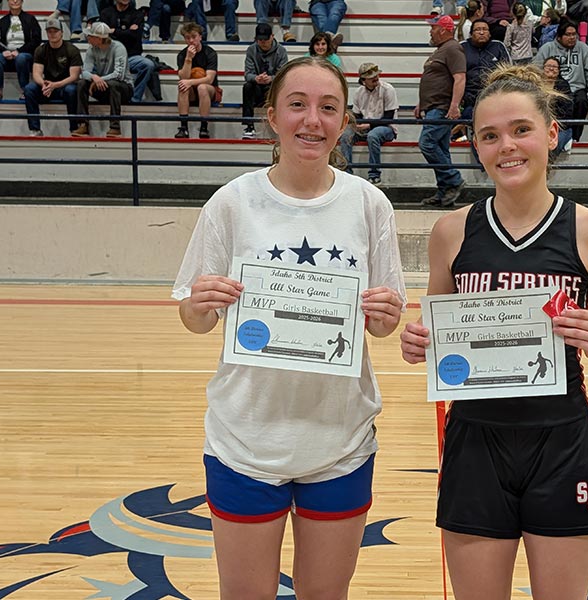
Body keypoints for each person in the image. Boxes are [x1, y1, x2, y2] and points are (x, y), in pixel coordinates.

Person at [172, 56, 406, 600]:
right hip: (245, 441)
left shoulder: (370, 204)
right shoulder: (232, 202)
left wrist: (386, 317)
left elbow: (382, 327)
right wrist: (200, 304)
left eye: (328, 107)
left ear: (344, 121)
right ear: (273, 116)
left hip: (341, 442)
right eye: (297, 105)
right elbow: (195, 319)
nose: (312, 120)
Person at [400, 63, 588, 600]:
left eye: (521, 129)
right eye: (490, 135)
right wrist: (419, 342)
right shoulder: (451, 231)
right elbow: (435, 329)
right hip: (474, 439)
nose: (506, 146)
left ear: (551, 134)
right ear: (476, 146)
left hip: (563, 439)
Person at [417, 14, 467, 207]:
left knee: (427, 143)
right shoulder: (442, 50)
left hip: (441, 107)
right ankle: (444, 191)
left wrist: (454, 105)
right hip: (433, 106)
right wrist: (421, 104)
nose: (430, 31)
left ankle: (454, 179)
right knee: (441, 149)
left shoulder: (452, 48)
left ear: (444, 30)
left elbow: (460, 78)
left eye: (433, 28)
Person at [533, 19, 588, 142]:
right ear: (559, 37)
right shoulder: (547, 48)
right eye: (568, 35)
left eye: (574, 34)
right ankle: (553, 136)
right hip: (554, 88)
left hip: (577, 88)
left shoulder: (583, 48)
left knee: (582, 101)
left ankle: (574, 138)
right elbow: (534, 71)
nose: (572, 38)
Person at [339, 62, 399, 185]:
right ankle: (347, 173)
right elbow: (357, 114)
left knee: (373, 135)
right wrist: (356, 125)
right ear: (363, 80)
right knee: (345, 135)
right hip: (366, 125)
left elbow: (389, 118)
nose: (375, 78)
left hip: (387, 127)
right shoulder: (359, 92)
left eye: (376, 75)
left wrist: (368, 125)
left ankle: (374, 175)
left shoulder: (388, 89)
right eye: (371, 77)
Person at [23, 17, 82, 136]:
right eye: (49, 31)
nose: (52, 34)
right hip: (48, 86)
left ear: (62, 32)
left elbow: (74, 76)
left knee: (72, 90)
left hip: (64, 86)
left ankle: (74, 128)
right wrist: (44, 84)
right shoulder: (41, 50)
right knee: (29, 89)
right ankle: (35, 129)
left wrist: (55, 85)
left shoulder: (72, 50)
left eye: (55, 31)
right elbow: (36, 73)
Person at [73, 22, 133, 138]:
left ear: (99, 39)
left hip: (124, 88)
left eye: (90, 36)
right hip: (103, 86)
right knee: (81, 83)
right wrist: (94, 78)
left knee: (114, 84)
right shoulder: (92, 49)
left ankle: (115, 127)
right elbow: (84, 72)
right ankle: (83, 124)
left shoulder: (118, 48)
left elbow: (119, 75)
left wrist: (99, 79)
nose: (88, 37)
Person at [100, 0, 155, 103]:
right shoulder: (106, 13)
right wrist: (127, 31)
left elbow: (135, 35)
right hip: (111, 57)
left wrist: (114, 31)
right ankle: (106, 99)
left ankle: (135, 98)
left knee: (148, 65)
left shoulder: (137, 14)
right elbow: (104, 35)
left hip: (131, 56)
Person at [241, 22, 288, 139]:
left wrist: (271, 78)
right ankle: (249, 125)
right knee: (247, 86)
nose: (263, 42)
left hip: (272, 87)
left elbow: (283, 74)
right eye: (260, 40)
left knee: (281, 87)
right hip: (257, 87)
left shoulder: (281, 51)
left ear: (272, 37)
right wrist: (256, 78)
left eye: (266, 39)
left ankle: (280, 124)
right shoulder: (251, 50)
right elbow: (247, 74)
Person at [174, 21, 220, 139]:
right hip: (191, 91)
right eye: (187, 38)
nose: (191, 40)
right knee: (182, 87)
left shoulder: (210, 53)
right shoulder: (182, 55)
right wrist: (188, 59)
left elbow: (209, 79)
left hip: (210, 90)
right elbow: (184, 77)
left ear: (200, 37)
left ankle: (204, 127)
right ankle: (183, 127)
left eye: (194, 37)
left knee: (202, 87)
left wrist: (190, 82)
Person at [0, 0, 41, 101]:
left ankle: (25, 91)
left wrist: (19, 51)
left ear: (22, 2)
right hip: (7, 54)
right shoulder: (2, 21)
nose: (15, 1)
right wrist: (4, 51)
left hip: (25, 54)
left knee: (21, 58)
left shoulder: (31, 19)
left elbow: (36, 40)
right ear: (8, 2)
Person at [542, 56, 573, 154]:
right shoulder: (536, 84)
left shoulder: (564, 86)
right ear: (543, 68)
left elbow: (568, 110)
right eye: (548, 66)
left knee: (553, 145)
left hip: (560, 126)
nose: (551, 69)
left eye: (555, 67)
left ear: (559, 71)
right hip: (540, 125)